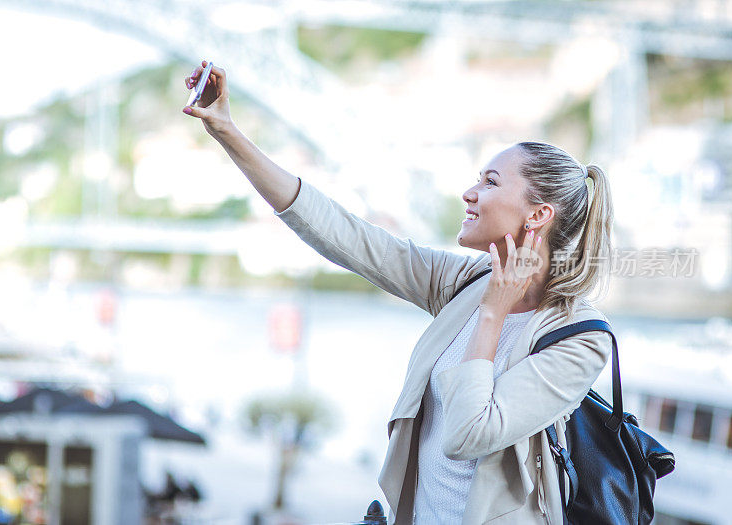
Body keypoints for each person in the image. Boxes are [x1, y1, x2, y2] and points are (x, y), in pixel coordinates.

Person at [182, 61, 614, 525]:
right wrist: (227, 131)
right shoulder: (464, 283)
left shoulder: (580, 339)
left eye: (490, 182)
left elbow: (468, 434)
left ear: (537, 215)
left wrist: (494, 310)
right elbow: (345, 235)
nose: (468, 193)